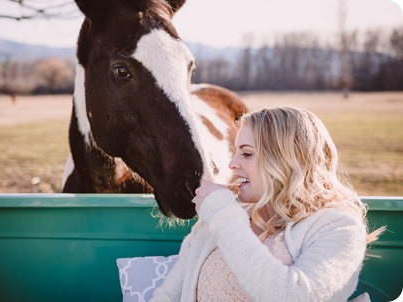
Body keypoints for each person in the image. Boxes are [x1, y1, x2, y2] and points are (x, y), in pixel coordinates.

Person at [151, 106, 383, 302]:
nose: (232, 164)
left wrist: (224, 215)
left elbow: (294, 296)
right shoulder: (220, 218)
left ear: (286, 160)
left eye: (247, 154)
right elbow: (168, 295)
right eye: (235, 152)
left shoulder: (338, 228)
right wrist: (223, 215)